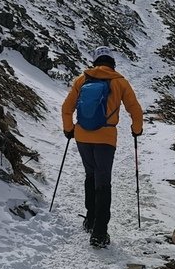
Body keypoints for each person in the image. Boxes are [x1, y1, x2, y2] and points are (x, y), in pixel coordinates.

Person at [61, 46, 144, 248]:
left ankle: (90, 219)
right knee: (103, 181)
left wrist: (69, 129)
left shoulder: (82, 80)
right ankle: (99, 232)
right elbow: (136, 110)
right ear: (112, 63)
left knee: (90, 175)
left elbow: (66, 108)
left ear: (95, 62)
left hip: (82, 135)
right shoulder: (120, 82)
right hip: (106, 137)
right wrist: (136, 129)